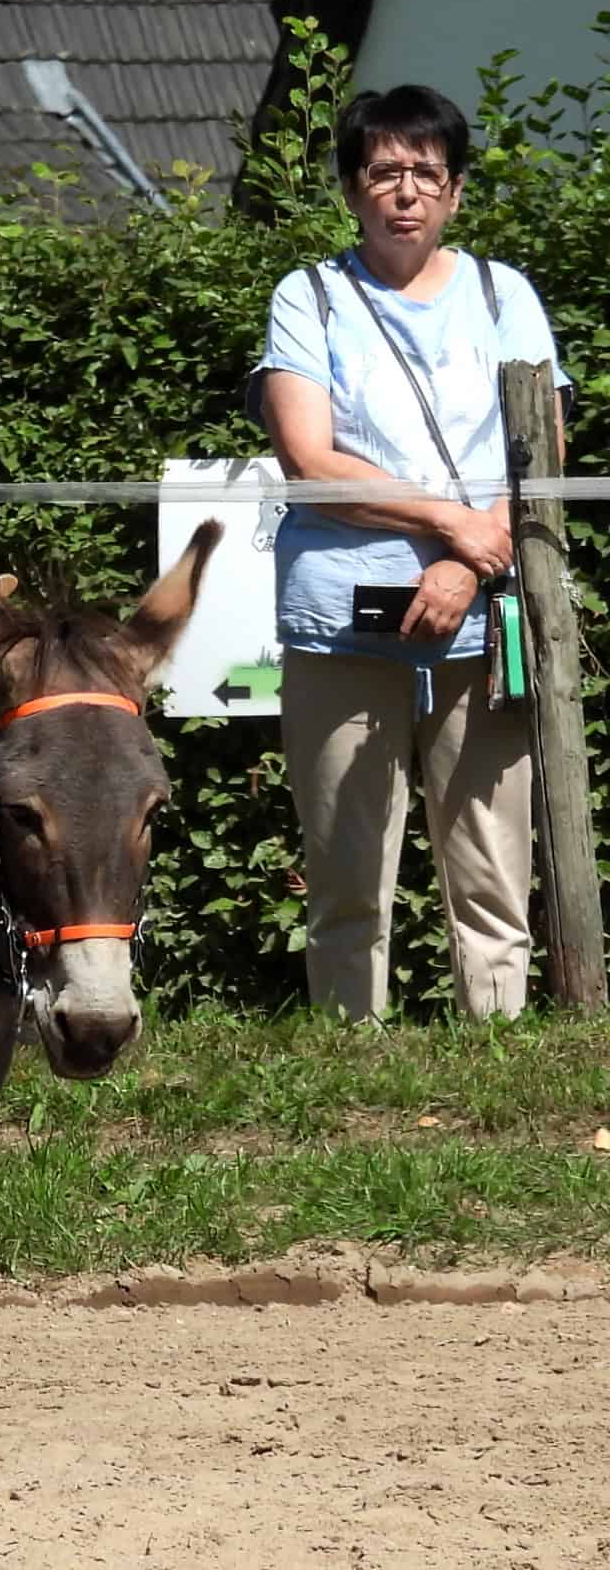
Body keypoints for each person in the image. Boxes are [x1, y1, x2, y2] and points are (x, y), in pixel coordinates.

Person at [254, 84, 571, 1023]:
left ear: (456, 193)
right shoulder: (307, 296)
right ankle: (351, 1066)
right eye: (384, 172)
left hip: (484, 608)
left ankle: (503, 1060)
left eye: (426, 174)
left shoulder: (500, 293)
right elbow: (310, 460)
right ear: (351, 190)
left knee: (493, 866)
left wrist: (468, 559)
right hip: (341, 615)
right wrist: (450, 523)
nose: (406, 193)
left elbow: (540, 453)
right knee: (347, 869)